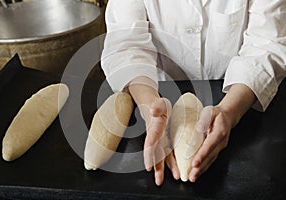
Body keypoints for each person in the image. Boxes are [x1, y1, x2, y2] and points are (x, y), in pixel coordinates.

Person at [101, 0, 286, 186]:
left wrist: (229, 112)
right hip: (159, 98)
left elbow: (266, 44)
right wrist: (149, 106)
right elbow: (127, 45)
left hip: (242, 100)